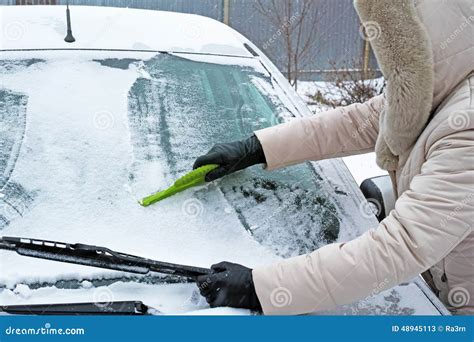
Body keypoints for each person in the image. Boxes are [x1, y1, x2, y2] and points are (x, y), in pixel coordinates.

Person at [194, 0, 473, 315]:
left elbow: (403, 245)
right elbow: (356, 123)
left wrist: (262, 287)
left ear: (419, 49)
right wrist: (256, 147)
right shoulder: (439, 91)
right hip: (440, 291)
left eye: (394, 53)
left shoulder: (467, 127)